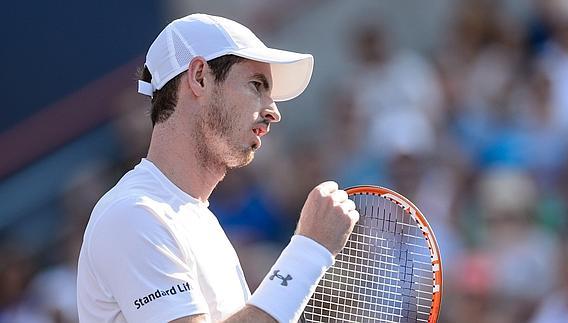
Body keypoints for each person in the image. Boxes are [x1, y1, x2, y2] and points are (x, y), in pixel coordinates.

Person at [76, 13, 359, 323]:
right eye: (256, 85)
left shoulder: (196, 219)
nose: (273, 112)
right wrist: (309, 250)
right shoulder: (133, 213)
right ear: (199, 77)